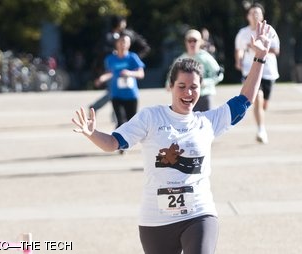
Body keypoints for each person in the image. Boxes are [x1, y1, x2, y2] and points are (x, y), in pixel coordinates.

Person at [72, 20, 274, 254]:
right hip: (155, 221)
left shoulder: (207, 122)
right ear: (170, 86)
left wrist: (260, 56)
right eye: (182, 86)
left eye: (194, 87)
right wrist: (92, 133)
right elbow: (113, 143)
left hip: (199, 215)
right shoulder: (150, 117)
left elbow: (245, 99)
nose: (188, 93)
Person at [235, 2, 280, 144]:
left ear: (262, 16)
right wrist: (239, 60)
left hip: (268, 71)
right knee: (258, 98)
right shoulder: (243, 33)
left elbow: (276, 50)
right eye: (252, 13)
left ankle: (261, 120)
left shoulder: (269, 30)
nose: (255, 15)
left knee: (264, 104)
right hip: (250, 70)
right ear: (247, 16)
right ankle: (261, 130)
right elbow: (239, 49)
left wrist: (259, 49)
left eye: (258, 13)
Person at [89, 15, 151, 114]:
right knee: (113, 92)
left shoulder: (129, 35)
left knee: (119, 92)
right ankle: (115, 117)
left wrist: (132, 58)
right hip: (113, 66)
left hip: (127, 70)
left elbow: (144, 47)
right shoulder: (109, 36)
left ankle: (112, 115)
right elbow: (100, 51)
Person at [94, 32, 145, 131]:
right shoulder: (110, 59)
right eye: (121, 42)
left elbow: (141, 74)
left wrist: (129, 73)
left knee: (132, 122)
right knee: (120, 122)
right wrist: (102, 78)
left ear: (129, 44)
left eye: (125, 42)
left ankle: (130, 142)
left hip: (131, 95)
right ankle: (120, 144)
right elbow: (110, 73)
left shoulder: (132, 57)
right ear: (116, 43)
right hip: (116, 95)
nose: (123, 44)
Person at [166, 29, 223, 112]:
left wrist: (205, 82)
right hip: (187, 97)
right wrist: (169, 84)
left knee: (207, 122)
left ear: (200, 42)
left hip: (205, 96)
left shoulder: (206, 58)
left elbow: (219, 75)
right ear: (186, 42)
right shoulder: (180, 59)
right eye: (189, 41)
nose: (192, 43)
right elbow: (171, 76)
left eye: (195, 41)